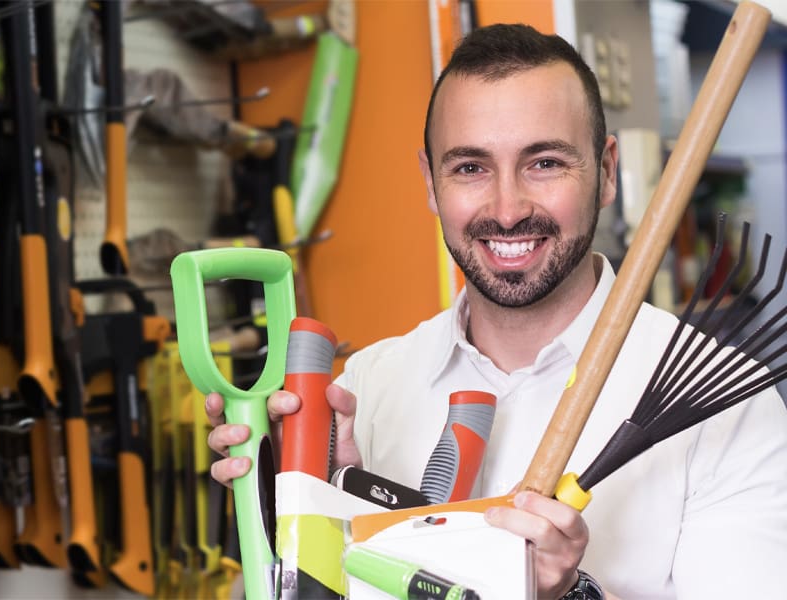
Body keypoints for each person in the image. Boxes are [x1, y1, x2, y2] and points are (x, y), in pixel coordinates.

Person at [205, 23, 787, 599]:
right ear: (430, 183)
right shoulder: (368, 387)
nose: (508, 210)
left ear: (606, 171)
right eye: (470, 168)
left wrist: (574, 595)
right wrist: (308, 513)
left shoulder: (730, 407)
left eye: (545, 163)